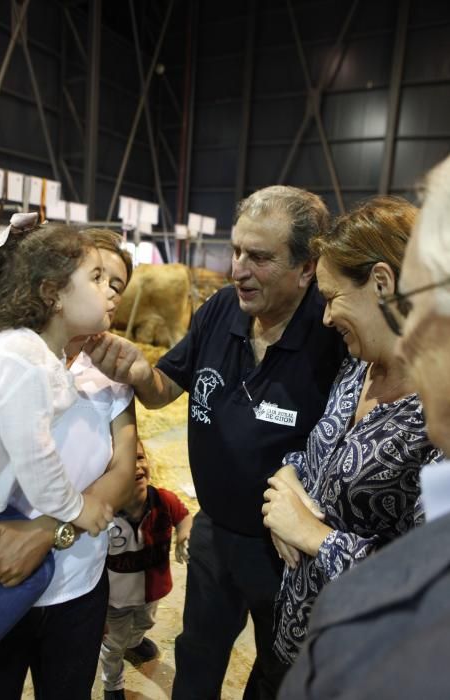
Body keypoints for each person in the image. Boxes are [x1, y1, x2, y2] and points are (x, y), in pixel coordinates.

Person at [85, 185, 346, 699]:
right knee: (198, 656)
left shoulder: (332, 333)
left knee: (276, 668)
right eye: (236, 251)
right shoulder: (221, 310)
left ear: (307, 266)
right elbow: (163, 393)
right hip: (214, 533)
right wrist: (140, 371)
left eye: (260, 257)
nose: (237, 270)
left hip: (286, 552)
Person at [277, 160, 450, 700]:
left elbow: (422, 582)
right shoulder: (355, 369)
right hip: (300, 633)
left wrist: (313, 534)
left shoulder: (436, 417)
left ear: (382, 283)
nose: (326, 318)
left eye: (331, 298)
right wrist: (290, 479)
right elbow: (322, 455)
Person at [0, 226, 137, 700]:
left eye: (118, 285)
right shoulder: (19, 355)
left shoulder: (112, 376)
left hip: (75, 583)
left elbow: (126, 476)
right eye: (98, 277)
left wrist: (51, 530)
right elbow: (35, 455)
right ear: (53, 291)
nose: (110, 294)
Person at [100, 438, 192, 700]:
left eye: (140, 457)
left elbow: (184, 516)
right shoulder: (103, 513)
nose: (137, 467)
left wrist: (185, 535)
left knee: (145, 622)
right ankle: (113, 684)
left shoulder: (164, 500)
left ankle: (135, 642)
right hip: (115, 601)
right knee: (113, 645)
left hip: (152, 592)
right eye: (125, 463)